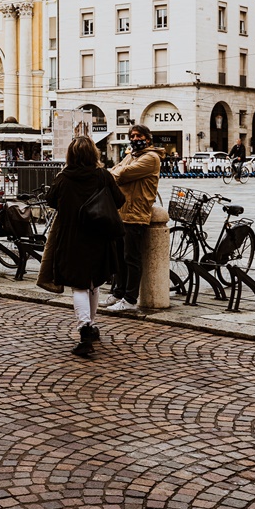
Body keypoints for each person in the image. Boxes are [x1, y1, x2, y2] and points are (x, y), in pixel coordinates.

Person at [38, 136, 125, 358]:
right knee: (94, 283)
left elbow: (50, 200)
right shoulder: (103, 176)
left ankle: (85, 329)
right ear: (93, 154)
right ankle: (91, 325)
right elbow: (119, 200)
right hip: (99, 235)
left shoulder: (64, 178)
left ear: (71, 155)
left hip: (72, 237)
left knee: (78, 286)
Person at [101, 124, 161, 312]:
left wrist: (113, 174)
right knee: (119, 257)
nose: (135, 139)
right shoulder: (130, 156)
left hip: (136, 213)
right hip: (122, 212)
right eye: (132, 136)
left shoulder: (151, 158)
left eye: (139, 135)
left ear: (148, 139)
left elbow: (122, 173)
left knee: (131, 258)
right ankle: (118, 294)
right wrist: (114, 173)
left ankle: (130, 299)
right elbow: (115, 170)